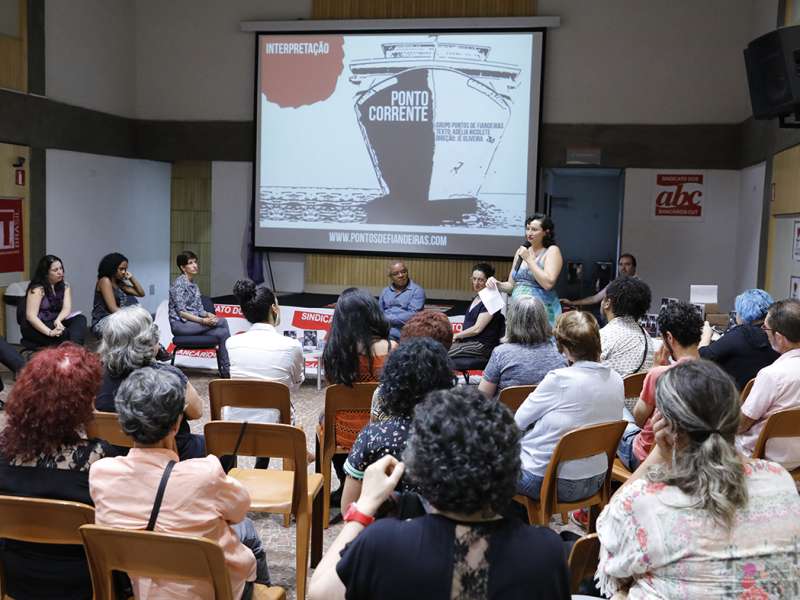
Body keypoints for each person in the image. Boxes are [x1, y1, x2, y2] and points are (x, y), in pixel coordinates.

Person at [308, 386, 571, 600]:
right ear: (510, 464)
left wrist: (364, 505)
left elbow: (320, 592)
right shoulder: (546, 552)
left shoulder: (383, 544)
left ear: (421, 466)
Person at [596, 360, 800, 599]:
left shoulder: (642, 504)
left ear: (664, 424)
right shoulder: (779, 479)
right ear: (736, 416)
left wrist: (659, 454)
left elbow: (609, 536)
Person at [89, 367, 270, 600]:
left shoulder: (101, 473)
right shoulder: (205, 473)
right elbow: (239, 510)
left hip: (143, 589)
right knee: (248, 532)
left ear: (124, 423)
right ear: (176, 424)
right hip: (215, 591)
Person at [0, 344, 116, 600]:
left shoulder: (3, 453)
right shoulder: (100, 461)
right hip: (87, 584)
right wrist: (91, 424)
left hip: (16, 580)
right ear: (82, 407)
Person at [515, 311, 624, 503]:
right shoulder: (617, 380)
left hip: (552, 482)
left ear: (564, 348)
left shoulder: (560, 380)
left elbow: (518, 422)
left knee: (488, 465)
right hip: (597, 478)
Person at [342, 338, 453, 507]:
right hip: (440, 530)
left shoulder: (373, 435)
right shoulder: (456, 436)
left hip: (381, 529)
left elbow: (348, 507)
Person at [96, 306, 205, 460]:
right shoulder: (170, 376)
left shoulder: (95, 377)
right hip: (173, 455)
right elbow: (197, 412)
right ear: (148, 340)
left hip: (117, 456)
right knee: (224, 449)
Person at [322, 288, 397, 505]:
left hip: (343, 432)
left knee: (324, 420)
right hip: (381, 428)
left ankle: (345, 482)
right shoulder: (392, 348)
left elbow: (335, 390)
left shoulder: (334, 352)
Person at [617, 301, 702, 472]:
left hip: (647, 458)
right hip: (692, 460)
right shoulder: (713, 375)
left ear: (669, 338)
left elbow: (640, 419)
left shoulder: (659, 375)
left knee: (617, 410)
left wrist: (654, 370)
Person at [736, 298, 800, 470]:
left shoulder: (771, 375)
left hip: (763, 458)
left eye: (766, 328)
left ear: (780, 338)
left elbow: (742, 424)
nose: (764, 331)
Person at [478, 296, 566, 398]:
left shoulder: (500, 354)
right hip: (549, 413)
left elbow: (483, 396)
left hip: (509, 413)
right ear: (544, 321)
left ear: (512, 321)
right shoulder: (560, 353)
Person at [487, 214, 563, 326]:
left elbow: (548, 284)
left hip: (541, 312)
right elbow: (511, 286)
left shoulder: (552, 251)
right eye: (527, 229)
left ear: (546, 232)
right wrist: (497, 284)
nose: (529, 233)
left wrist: (529, 260)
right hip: (518, 311)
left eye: (534, 229)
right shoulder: (521, 251)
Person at [699, 288, 779, 390]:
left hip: (733, 398)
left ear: (742, 313)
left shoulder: (741, 334)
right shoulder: (776, 335)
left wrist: (706, 335)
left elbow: (702, 357)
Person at [168, 250, 231, 378]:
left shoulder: (194, 286)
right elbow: (182, 313)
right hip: (181, 324)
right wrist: (203, 321)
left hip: (194, 323)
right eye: (190, 263)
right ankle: (230, 365)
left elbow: (200, 310)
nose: (195, 265)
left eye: (195, 262)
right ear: (183, 267)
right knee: (223, 322)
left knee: (222, 333)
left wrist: (209, 315)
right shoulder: (178, 285)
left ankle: (226, 370)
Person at [21, 254, 86, 346]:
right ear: (46, 273)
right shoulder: (37, 289)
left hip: (54, 320)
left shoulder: (65, 286)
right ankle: (73, 351)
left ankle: (74, 351)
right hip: (37, 325)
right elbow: (31, 317)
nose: (60, 272)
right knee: (64, 333)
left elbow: (66, 308)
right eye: (55, 270)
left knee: (80, 319)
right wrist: (50, 332)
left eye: (61, 268)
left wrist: (58, 320)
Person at [598, 276, 654, 378]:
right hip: (639, 393)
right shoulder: (647, 338)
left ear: (607, 302)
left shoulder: (603, 336)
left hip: (609, 393)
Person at [448, 262, 505, 361]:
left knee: (444, 351)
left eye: (480, 280)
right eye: (474, 279)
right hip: (470, 342)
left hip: (482, 345)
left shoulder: (492, 298)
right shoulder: (478, 296)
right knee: (439, 348)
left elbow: (477, 329)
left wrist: (457, 335)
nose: (476, 283)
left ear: (488, 281)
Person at [91, 252, 145, 337]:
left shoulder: (120, 284)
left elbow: (141, 293)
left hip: (117, 318)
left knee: (144, 328)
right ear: (112, 268)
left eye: (126, 269)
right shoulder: (104, 281)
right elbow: (113, 309)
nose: (124, 272)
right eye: (121, 269)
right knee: (137, 327)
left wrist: (131, 277)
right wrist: (133, 317)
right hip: (104, 322)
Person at [561, 253, 637, 308]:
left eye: (627, 264)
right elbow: (595, 298)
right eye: (620, 264)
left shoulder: (639, 286)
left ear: (634, 267)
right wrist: (571, 303)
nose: (623, 268)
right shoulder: (615, 283)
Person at [379, 260, 426, 340]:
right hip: (385, 330)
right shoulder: (385, 291)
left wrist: (387, 318)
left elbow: (412, 315)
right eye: (396, 274)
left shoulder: (417, 291)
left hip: (406, 332)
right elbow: (379, 312)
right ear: (390, 277)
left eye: (403, 272)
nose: (401, 275)